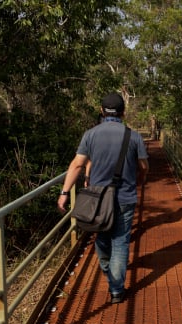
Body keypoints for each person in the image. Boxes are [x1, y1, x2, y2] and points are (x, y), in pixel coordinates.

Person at [57, 92, 149, 304]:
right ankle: (116, 288)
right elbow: (144, 166)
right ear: (123, 113)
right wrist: (141, 178)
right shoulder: (133, 136)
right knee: (120, 242)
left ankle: (111, 276)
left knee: (101, 239)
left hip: (98, 200)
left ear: (101, 111)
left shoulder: (90, 135)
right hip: (125, 197)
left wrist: (64, 193)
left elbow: (77, 165)